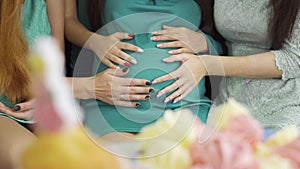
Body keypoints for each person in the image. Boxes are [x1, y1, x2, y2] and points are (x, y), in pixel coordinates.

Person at [65, 0, 224, 136]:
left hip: (184, 104)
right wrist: (95, 41)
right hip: (115, 103)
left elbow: (225, 46)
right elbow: (71, 22)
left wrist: (204, 42)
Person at [153, 0, 300, 133]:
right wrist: (205, 43)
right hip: (229, 99)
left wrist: (208, 65)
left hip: (283, 102)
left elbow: (294, 59)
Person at [0, 0, 64, 168]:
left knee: (77, 155)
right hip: (2, 109)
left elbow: (55, 65)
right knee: (31, 159)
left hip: (39, 103)